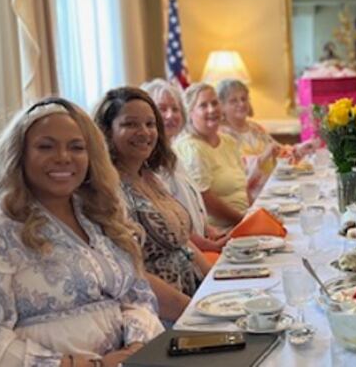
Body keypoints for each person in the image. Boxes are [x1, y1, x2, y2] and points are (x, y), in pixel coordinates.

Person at [0, 97, 163, 366]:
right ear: (19, 154)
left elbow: (138, 297)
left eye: (77, 147)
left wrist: (135, 348)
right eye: (46, 147)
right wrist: (90, 365)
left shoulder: (101, 215)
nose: (63, 158)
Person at [94, 87, 210, 322]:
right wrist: (197, 314)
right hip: (158, 313)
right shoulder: (106, 190)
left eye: (150, 124)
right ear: (106, 132)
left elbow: (181, 241)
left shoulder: (148, 176)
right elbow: (132, 274)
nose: (144, 132)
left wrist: (217, 283)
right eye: (130, 124)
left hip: (194, 295)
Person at [141, 79, 226, 253]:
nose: (170, 115)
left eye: (175, 109)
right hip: (186, 253)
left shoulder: (173, 154)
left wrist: (207, 229)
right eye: (162, 109)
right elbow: (169, 220)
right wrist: (206, 244)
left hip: (202, 245)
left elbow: (190, 205)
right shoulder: (146, 163)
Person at [216, 79, 315, 200]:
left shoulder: (255, 128)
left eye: (244, 99)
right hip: (251, 198)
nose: (241, 104)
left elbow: (280, 153)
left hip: (277, 190)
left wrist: (299, 150)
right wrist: (264, 156)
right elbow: (236, 173)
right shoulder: (221, 136)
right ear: (222, 106)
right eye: (233, 101)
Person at [175, 82, 247, 227]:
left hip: (243, 217)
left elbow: (243, 188)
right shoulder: (192, 148)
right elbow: (205, 200)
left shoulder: (229, 141)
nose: (212, 109)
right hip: (221, 229)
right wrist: (244, 221)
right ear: (190, 113)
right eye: (203, 105)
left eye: (215, 103)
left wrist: (253, 213)